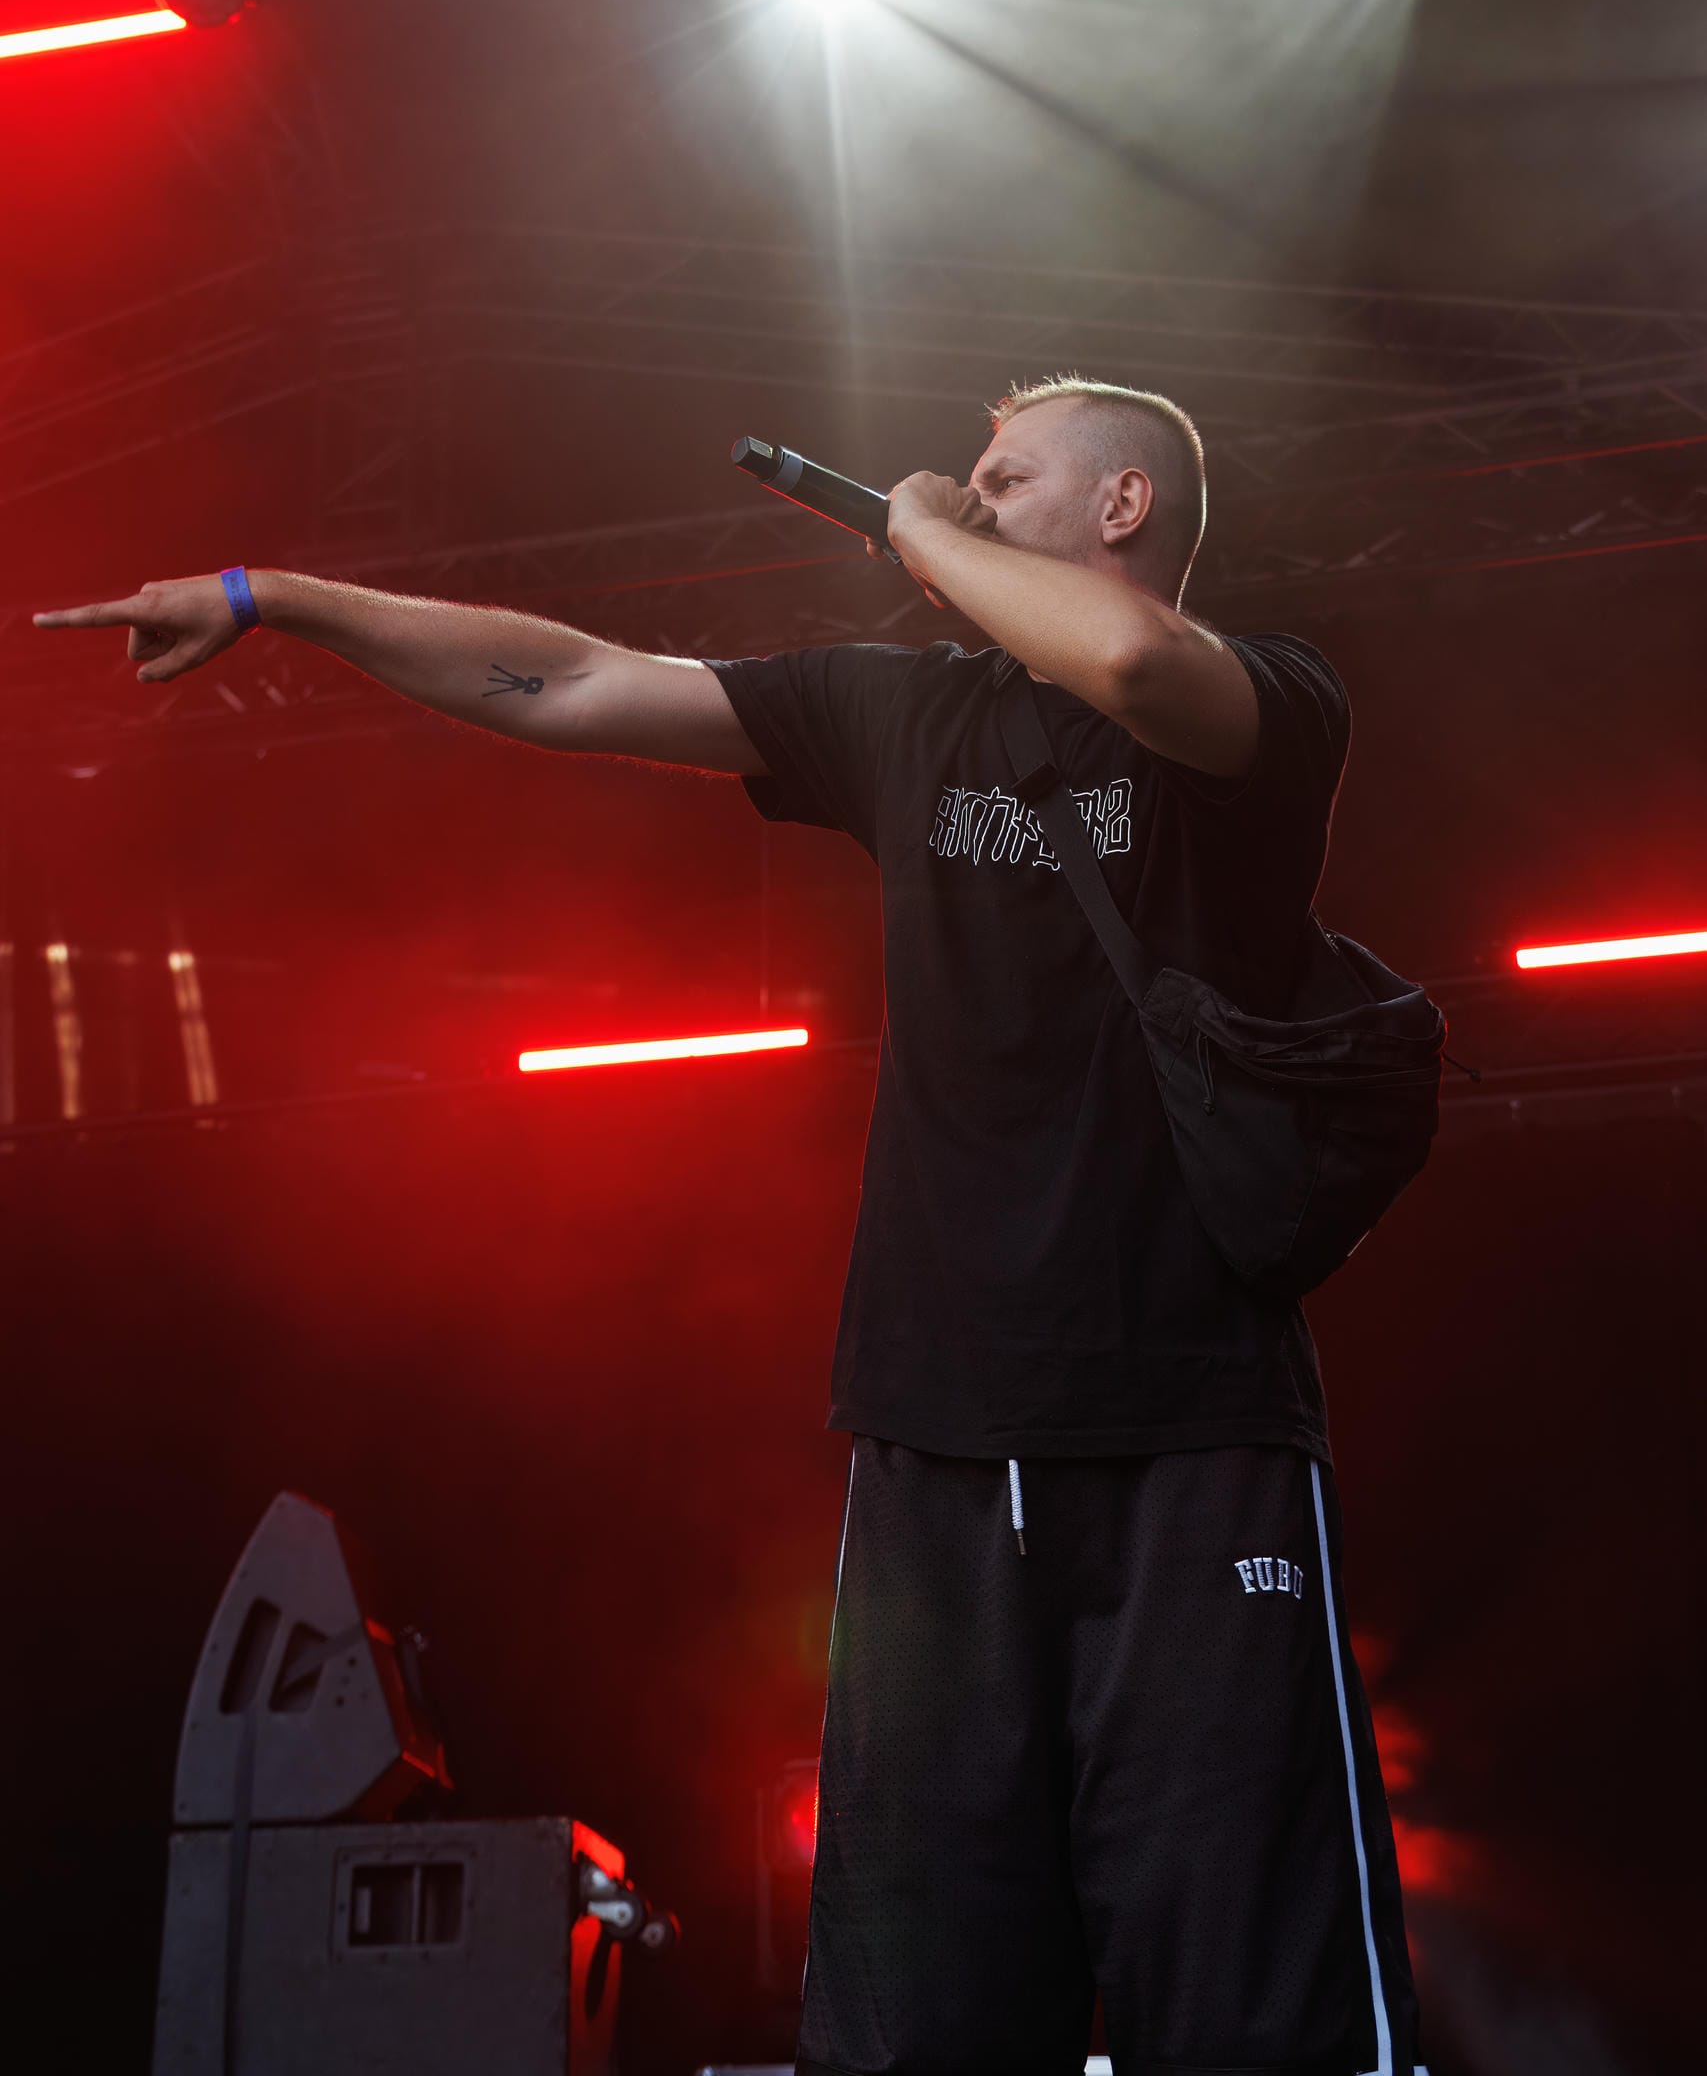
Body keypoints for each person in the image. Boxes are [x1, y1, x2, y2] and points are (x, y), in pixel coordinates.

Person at [36, 374, 1422, 2076]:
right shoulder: (903, 716)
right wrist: (279, 599)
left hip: (1193, 1438)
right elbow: (574, 681)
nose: (969, 492)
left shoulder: (1267, 704)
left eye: (1007, 475)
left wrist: (919, 526)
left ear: (1124, 505)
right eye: (967, 482)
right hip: (934, 1443)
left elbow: (1131, 665)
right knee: (917, 2021)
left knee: (1256, 2012)